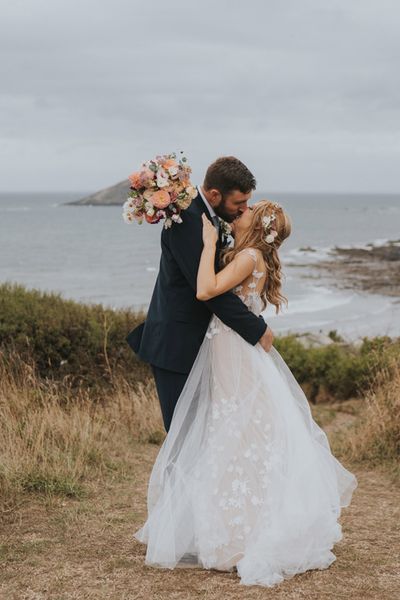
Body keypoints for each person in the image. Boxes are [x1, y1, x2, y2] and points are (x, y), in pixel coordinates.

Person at [132, 199, 358, 588]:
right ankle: (228, 528)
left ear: (259, 225)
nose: (243, 211)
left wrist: (205, 245)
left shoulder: (249, 256)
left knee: (235, 434)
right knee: (236, 433)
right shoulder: (251, 255)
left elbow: (205, 289)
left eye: (250, 210)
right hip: (231, 350)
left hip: (233, 352)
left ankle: (242, 535)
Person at [126, 156, 274, 432]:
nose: (244, 210)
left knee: (202, 434)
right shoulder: (188, 221)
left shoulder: (208, 217)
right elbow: (207, 291)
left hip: (200, 342)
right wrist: (256, 328)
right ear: (215, 194)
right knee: (183, 435)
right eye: (239, 203)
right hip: (177, 344)